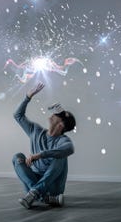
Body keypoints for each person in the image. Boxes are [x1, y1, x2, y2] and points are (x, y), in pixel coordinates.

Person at [12, 81, 76, 209]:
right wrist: (27, 97)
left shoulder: (63, 141)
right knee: (17, 157)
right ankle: (41, 196)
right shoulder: (36, 130)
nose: (52, 114)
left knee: (61, 156)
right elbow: (18, 116)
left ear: (61, 125)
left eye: (57, 115)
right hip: (34, 181)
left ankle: (37, 193)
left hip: (53, 187)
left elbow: (70, 149)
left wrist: (40, 155)